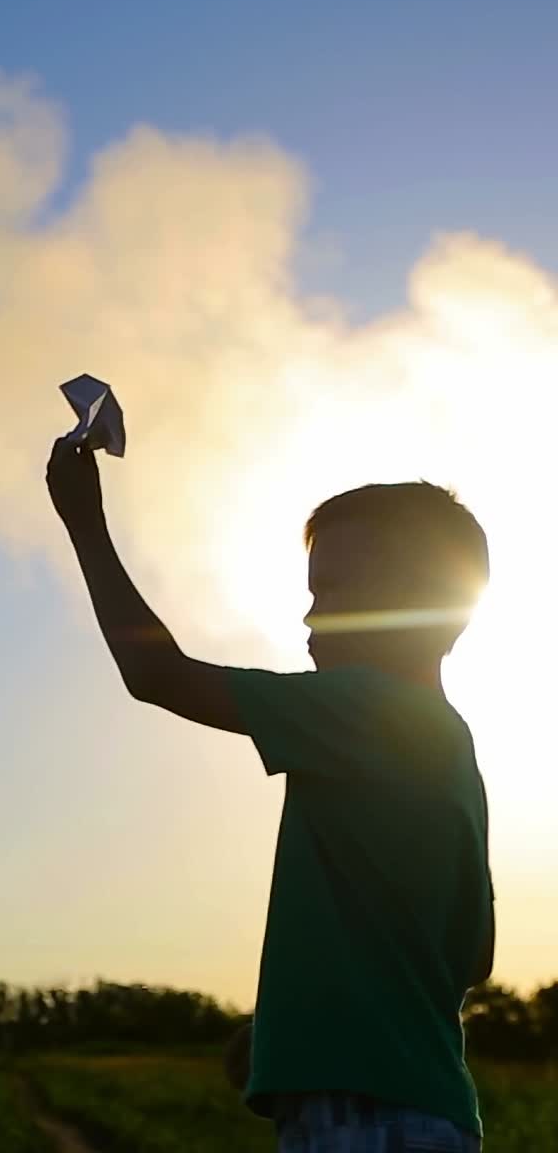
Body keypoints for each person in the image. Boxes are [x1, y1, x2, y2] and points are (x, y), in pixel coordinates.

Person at [47, 435, 495, 1152]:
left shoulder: (365, 707)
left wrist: (84, 523)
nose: (312, 618)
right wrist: (294, 1020)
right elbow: (473, 956)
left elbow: (155, 673)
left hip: (364, 1120)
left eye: (336, 593)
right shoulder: (450, 746)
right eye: (314, 595)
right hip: (426, 1112)